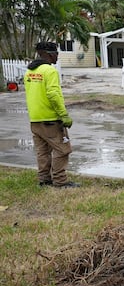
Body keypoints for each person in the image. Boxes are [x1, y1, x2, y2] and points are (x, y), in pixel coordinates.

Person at [24, 42, 78, 188]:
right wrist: (63, 115)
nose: (57, 56)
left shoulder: (29, 71)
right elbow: (53, 94)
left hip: (35, 119)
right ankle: (60, 181)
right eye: (56, 54)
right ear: (48, 54)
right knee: (63, 150)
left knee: (43, 151)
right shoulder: (49, 71)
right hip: (50, 120)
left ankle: (44, 180)